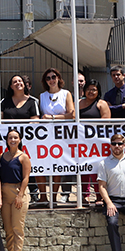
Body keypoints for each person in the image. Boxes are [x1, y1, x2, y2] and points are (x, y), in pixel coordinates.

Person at [39, 68, 74, 204]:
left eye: (53, 77)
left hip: (62, 135)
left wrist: (52, 117)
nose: (51, 80)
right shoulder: (42, 96)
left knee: (58, 165)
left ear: (59, 78)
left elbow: (72, 114)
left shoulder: (66, 94)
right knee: (43, 165)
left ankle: (53, 198)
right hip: (46, 136)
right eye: (48, 78)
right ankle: (43, 198)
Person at [0, 129, 31, 251]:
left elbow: (26, 177)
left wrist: (20, 195)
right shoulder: (2, 156)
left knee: (18, 228)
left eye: (15, 137)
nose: (13, 140)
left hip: (19, 192)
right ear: (6, 140)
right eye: (10, 137)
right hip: (5, 193)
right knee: (8, 228)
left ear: (19, 140)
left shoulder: (23, 157)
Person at [78, 79, 110, 202]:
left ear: (98, 91)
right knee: (83, 169)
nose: (91, 92)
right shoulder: (79, 103)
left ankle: (99, 196)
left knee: (97, 170)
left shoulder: (101, 104)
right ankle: (83, 196)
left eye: (94, 89)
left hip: (97, 144)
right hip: (81, 143)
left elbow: (106, 121)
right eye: (89, 89)